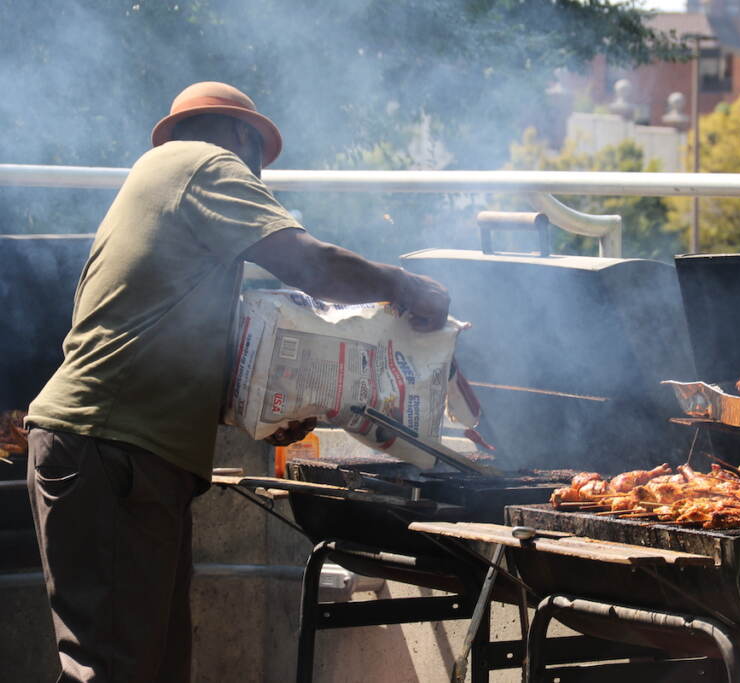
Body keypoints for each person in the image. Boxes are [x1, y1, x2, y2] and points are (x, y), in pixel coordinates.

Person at [24, 81, 450, 683]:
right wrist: (404, 286)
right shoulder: (204, 164)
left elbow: (178, 346)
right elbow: (311, 264)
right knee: (113, 672)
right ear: (242, 136)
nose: (260, 180)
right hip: (108, 450)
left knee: (154, 669)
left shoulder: (168, 195)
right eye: (259, 161)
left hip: (120, 456)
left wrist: (276, 408)